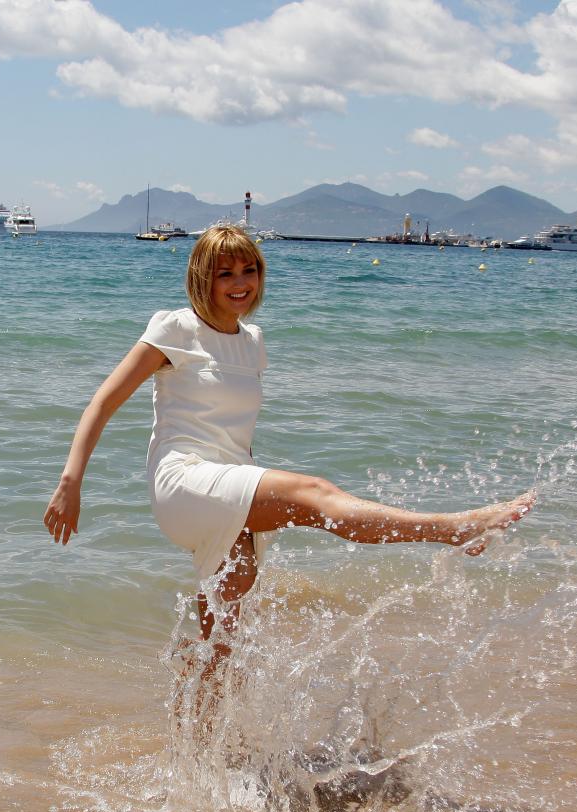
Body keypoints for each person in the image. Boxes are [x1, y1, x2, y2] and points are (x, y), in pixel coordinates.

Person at [44, 225, 534, 644]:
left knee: (222, 643)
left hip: (231, 483)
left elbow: (238, 433)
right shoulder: (174, 328)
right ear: (202, 278)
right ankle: (452, 528)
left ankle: (199, 727)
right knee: (315, 493)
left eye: (249, 270)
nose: (240, 284)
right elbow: (103, 402)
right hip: (185, 481)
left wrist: (253, 497)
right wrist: (71, 482)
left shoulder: (253, 342)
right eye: (225, 274)